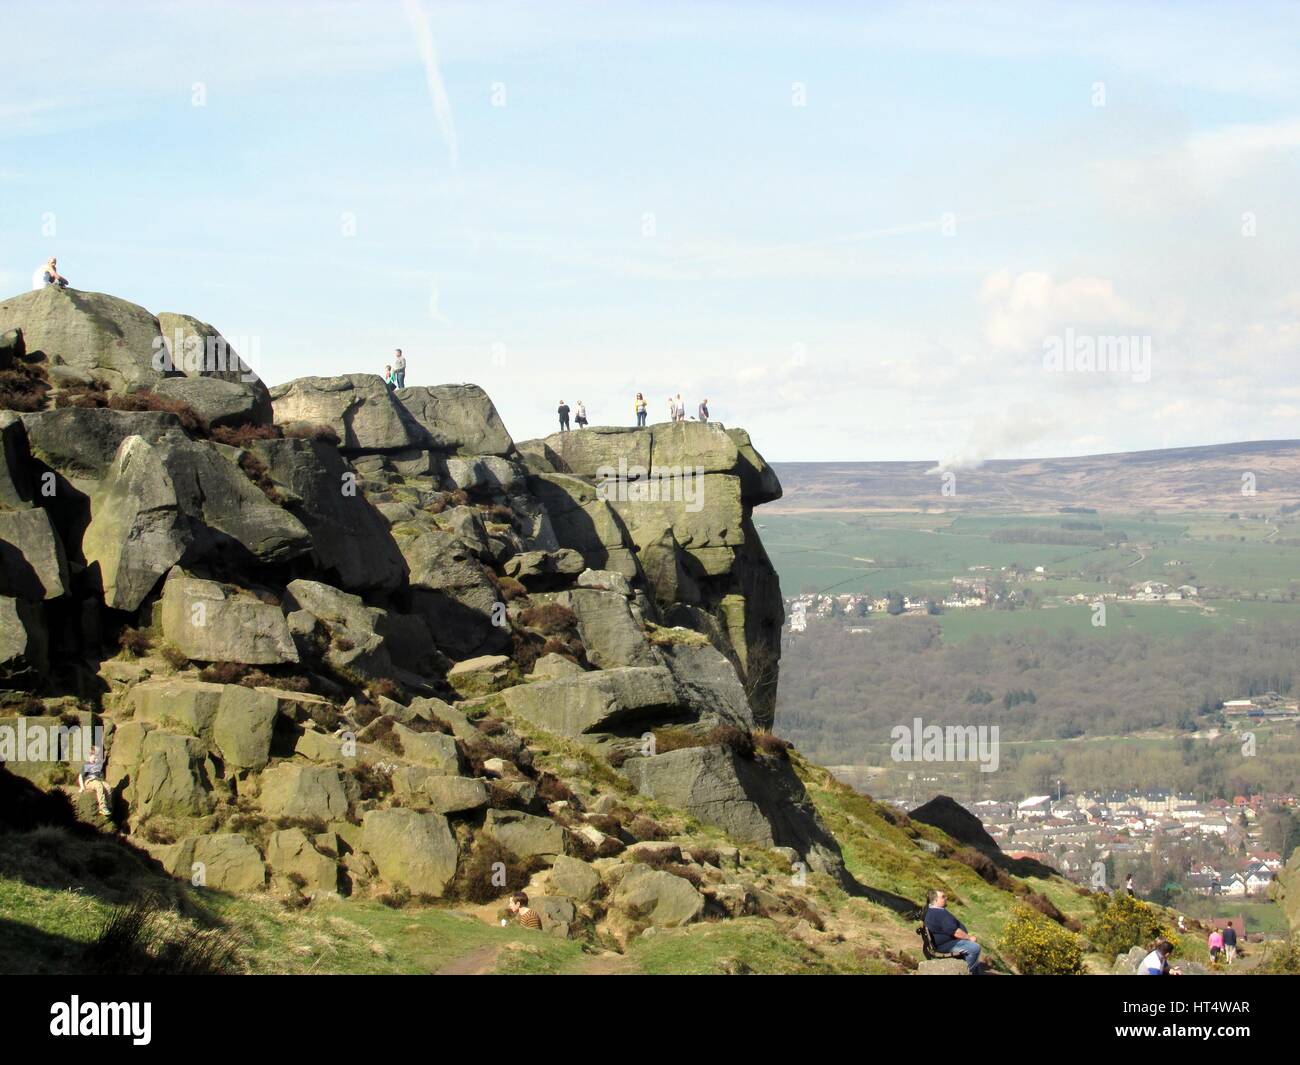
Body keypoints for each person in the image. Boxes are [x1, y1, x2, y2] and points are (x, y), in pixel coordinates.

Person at [923, 889, 982, 973]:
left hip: (945, 942)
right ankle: (966, 973)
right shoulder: (939, 913)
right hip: (944, 945)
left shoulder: (932, 909)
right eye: (943, 897)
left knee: (973, 952)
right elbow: (955, 932)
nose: (946, 898)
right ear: (936, 900)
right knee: (974, 948)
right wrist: (969, 938)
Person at [78, 745, 111, 818]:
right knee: (98, 785)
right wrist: (82, 787)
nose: (95, 759)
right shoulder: (87, 765)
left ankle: (108, 805)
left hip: (98, 780)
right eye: (93, 757)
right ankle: (102, 807)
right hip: (90, 781)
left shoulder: (98, 765)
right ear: (89, 756)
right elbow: (80, 776)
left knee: (108, 786)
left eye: (96, 758)